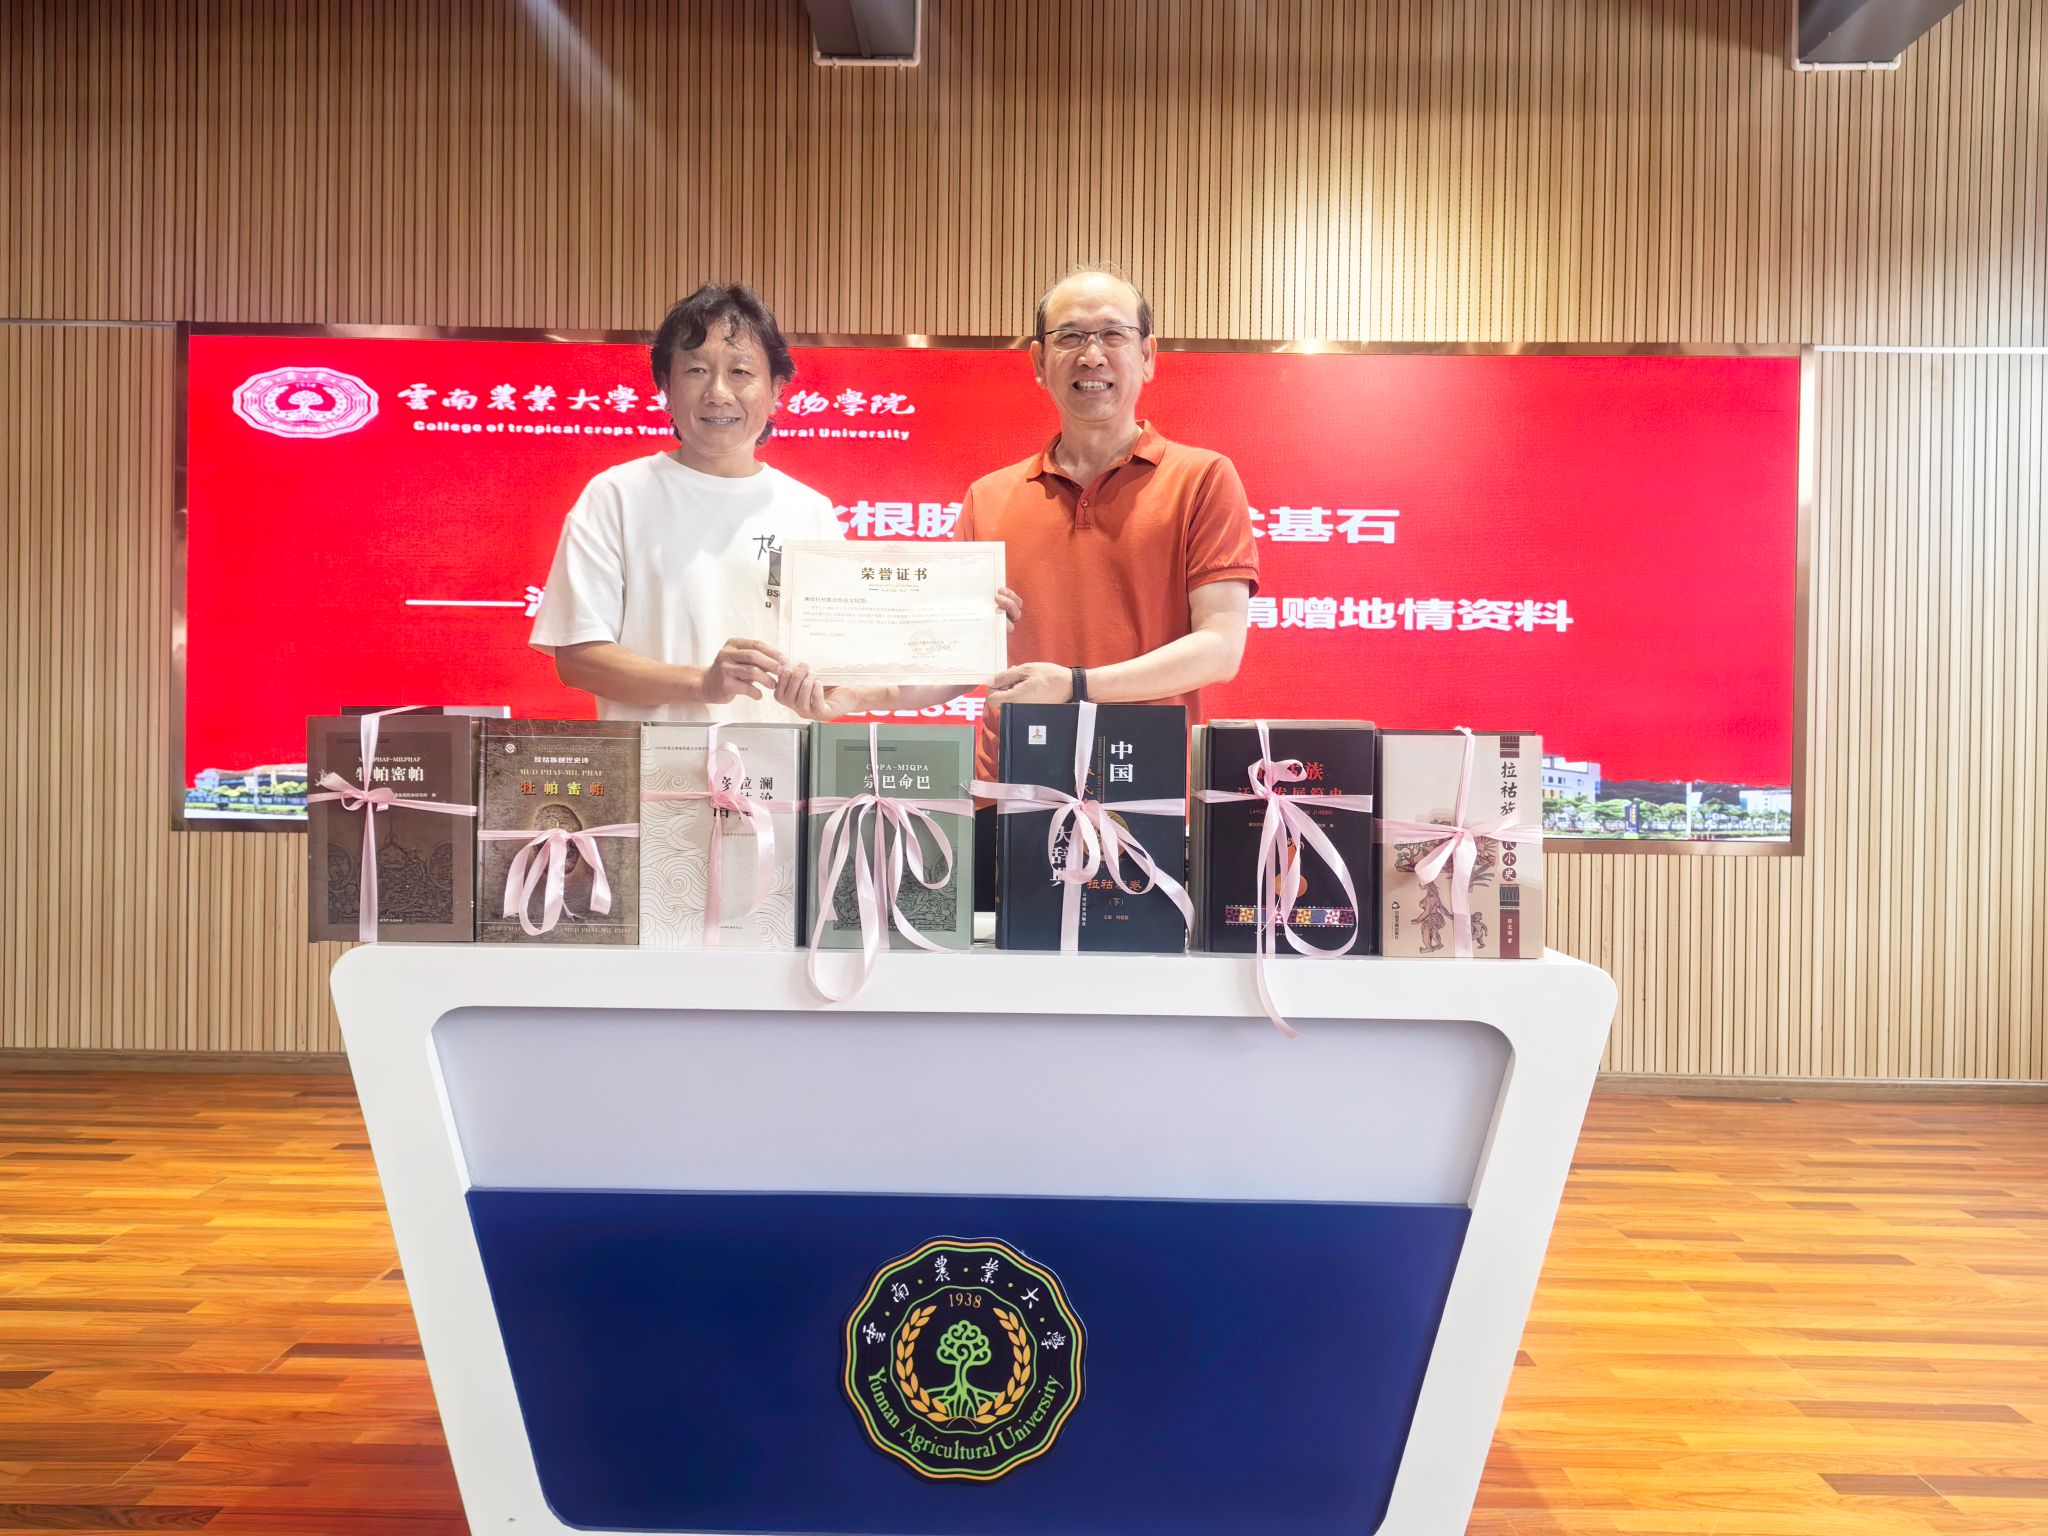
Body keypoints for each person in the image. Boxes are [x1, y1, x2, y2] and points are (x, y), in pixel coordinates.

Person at [955, 264, 1260, 897]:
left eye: (1112, 335)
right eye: (1069, 336)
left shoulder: (1203, 479)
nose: (1091, 354)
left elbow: (1221, 647)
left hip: (1147, 799)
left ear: (1147, 355)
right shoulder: (988, 497)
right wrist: (849, 694)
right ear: (1039, 362)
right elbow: (952, 652)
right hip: (1009, 796)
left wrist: (1074, 687)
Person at [530, 282, 865, 724]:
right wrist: (701, 683)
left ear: (777, 388)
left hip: (781, 764)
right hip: (650, 767)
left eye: (741, 372)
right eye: (697, 370)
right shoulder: (616, 496)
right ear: (666, 387)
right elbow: (578, 657)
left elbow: (841, 658)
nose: (718, 393)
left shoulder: (810, 511)